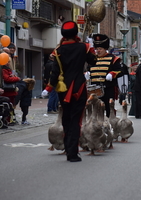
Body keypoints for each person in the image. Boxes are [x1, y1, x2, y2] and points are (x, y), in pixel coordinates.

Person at [42, 21, 96, 162]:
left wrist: (48, 88)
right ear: (76, 33)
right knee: (75, 120)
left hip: (63, 89)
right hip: (78, 87)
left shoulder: (58, 50)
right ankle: (72, 153)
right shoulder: (83, 47)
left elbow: (55, 72)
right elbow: (93, 61)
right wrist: (89, 46)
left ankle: (68, 148)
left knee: (66, 119)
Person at [85, 33, 122, 118]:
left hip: (108, 89)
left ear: (105, 49)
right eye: (96, 48)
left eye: (100, 49)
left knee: (109, 109)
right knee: (95, 110)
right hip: (94, 89)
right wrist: (87, 74)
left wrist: (112, 74)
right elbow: (88, 69)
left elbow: (120, 71)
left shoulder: (113, 58)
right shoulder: (92, 59)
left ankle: (110, 125)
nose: (98, 51)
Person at [1, 60, 21, 125]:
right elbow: (7, 79)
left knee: (11, 106)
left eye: (9, 62)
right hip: (8, 91)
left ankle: (10, 119)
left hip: (11, 91)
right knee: (9, 106)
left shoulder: (8, 69)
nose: (8, 63)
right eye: (6, 62)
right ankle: (8, 120)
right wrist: (16, 78)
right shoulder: (4, 70)